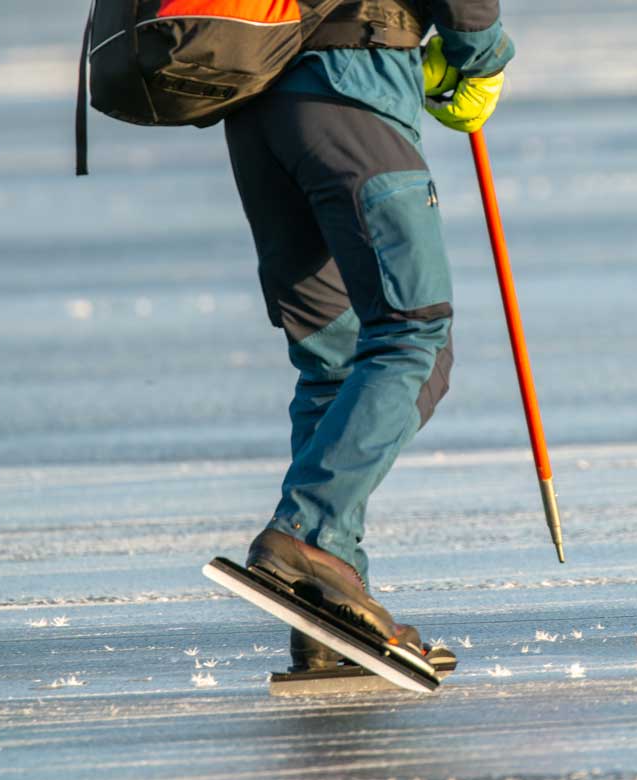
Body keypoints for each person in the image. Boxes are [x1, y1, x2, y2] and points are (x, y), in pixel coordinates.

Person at [224, 0, 514, 669]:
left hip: (256, 101)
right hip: (351, 89)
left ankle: (327, 613)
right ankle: (307, 534)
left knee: (334, 360)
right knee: (414, 339)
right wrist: (481, 56)